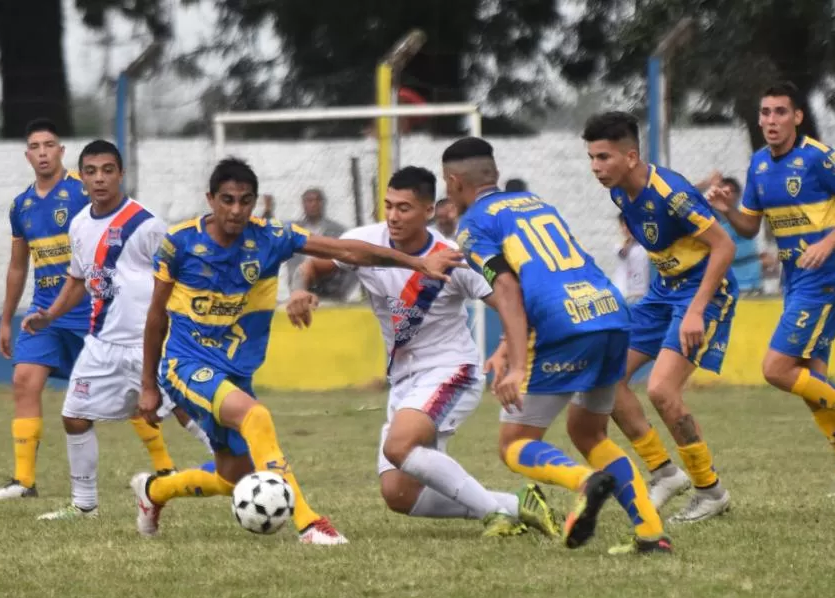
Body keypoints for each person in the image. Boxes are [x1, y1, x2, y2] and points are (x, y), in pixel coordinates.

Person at [129, 158, 464, 545]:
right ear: (210, 199)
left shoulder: (270, 237)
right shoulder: (180, 243)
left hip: (235, 371)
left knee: (232, 477)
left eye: (245, 200)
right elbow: (155, 318)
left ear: (255, 201)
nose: (236, 210)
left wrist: (417, 263)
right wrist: (149, 386)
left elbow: (349, 250)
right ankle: (309, 523)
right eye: (227, 200)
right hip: (185, 363)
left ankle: (154, 492)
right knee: (255, 416)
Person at [287, 166, 559, 538]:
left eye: (404, 208)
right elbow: (311, 265)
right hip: (404, 380)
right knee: (398, 494)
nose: (393, 217)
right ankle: (515, 505)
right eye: (388, 206)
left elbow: (512, 305)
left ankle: (494, 516)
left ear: (429, 210)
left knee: (400, 445)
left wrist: (506, 352)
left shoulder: (453, 257)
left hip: (451, 372)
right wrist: (300, 290)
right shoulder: (366, 241)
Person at [442, 137, 670, 555]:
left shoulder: (473, 225)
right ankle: (651, 533)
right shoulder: (534, 203)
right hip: (610, 313)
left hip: (560, 324)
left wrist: (513, 365)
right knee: (588, 431)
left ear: (455, 182)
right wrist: (511, 351)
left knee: (514, 443)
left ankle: (584, 482)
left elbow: (507, 290)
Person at [708, 82, 835, 496]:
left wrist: (828, 242)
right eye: (765, 113)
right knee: (812, 383)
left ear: (797, 117)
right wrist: (726, 210)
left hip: (826, 279)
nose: (770, 121)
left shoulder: (817, 157)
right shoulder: (759, 165)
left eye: (780, 112)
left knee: (777, 369)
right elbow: (751, 225)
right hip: (795, 280)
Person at [21, 140, 196, 520]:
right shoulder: (80, 224)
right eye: (91, 171)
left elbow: (178, 278)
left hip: (146, 343)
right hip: (101, 345)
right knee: (74, 415)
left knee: (187, 411)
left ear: (121, 174)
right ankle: (85, 505)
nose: (99, 178)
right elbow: (78, 280)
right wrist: (48, 315)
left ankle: (242, 476)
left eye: (107, 170)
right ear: (81, 177)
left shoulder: (146, 224)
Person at [583, 112, 736, 523]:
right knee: (605, 378)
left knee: (662, 391)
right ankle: (665, 472)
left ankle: (710, 490)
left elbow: (723, 247)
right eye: (592, 158)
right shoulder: (620, 193)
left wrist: (696, 311)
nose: (596, 167)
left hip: (703, 290)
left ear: (630, 156)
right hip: (664, 290)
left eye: (604, 157)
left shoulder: (671, 193)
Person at [0, 119, 90, 499]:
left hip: (89, 311)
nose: (42, 152)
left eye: (49, 144)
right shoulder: (21, 205)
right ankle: (23, 482)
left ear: (61, 151)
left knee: (124, 393)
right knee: (24, 380)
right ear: (27, 155)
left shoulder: (84, 190)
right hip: (43, 313)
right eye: (35, 146)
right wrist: (5, 319)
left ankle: (163, 466)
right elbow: (17, 265)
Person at [697, 173, 764, 294]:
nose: (725, 193)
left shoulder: (744, 219)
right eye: (721, 189)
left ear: (738, 195)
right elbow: (685, 199)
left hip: (750, 284)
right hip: (723, 285)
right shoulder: (709, 219)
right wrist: (706, 183)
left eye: (731, 191)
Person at [285, 187, 356, 300]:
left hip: (331, 293)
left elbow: (354, 264)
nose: (313, 204)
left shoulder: (338, 231)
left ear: (323, 203)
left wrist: (342, 292)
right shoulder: (292, 231)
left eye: (317, 200)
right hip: (301, 292)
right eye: (309, 200)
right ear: (303, 204)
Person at [612, 214, 651, 303]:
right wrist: (631, 239)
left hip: (643, 293)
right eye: (623, 225)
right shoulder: (619, 246)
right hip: (625, 294)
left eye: (628, 225)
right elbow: (622, 254)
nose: (625, 228)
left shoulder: (645, 246)